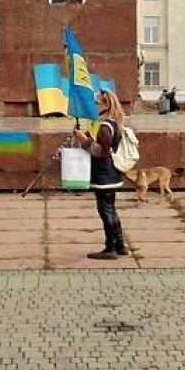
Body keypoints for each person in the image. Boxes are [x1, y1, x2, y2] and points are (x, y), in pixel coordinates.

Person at [72, 89, 128, 260]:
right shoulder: (112, 123)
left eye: (96, 103)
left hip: (105, 175)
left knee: (105, 211)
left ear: (105, 105)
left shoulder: (105, 126)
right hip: (111, 174)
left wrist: (84, 140)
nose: (93, 106)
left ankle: (110, 248)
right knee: (111, 209)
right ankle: (120, 245)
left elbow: (101, 151)